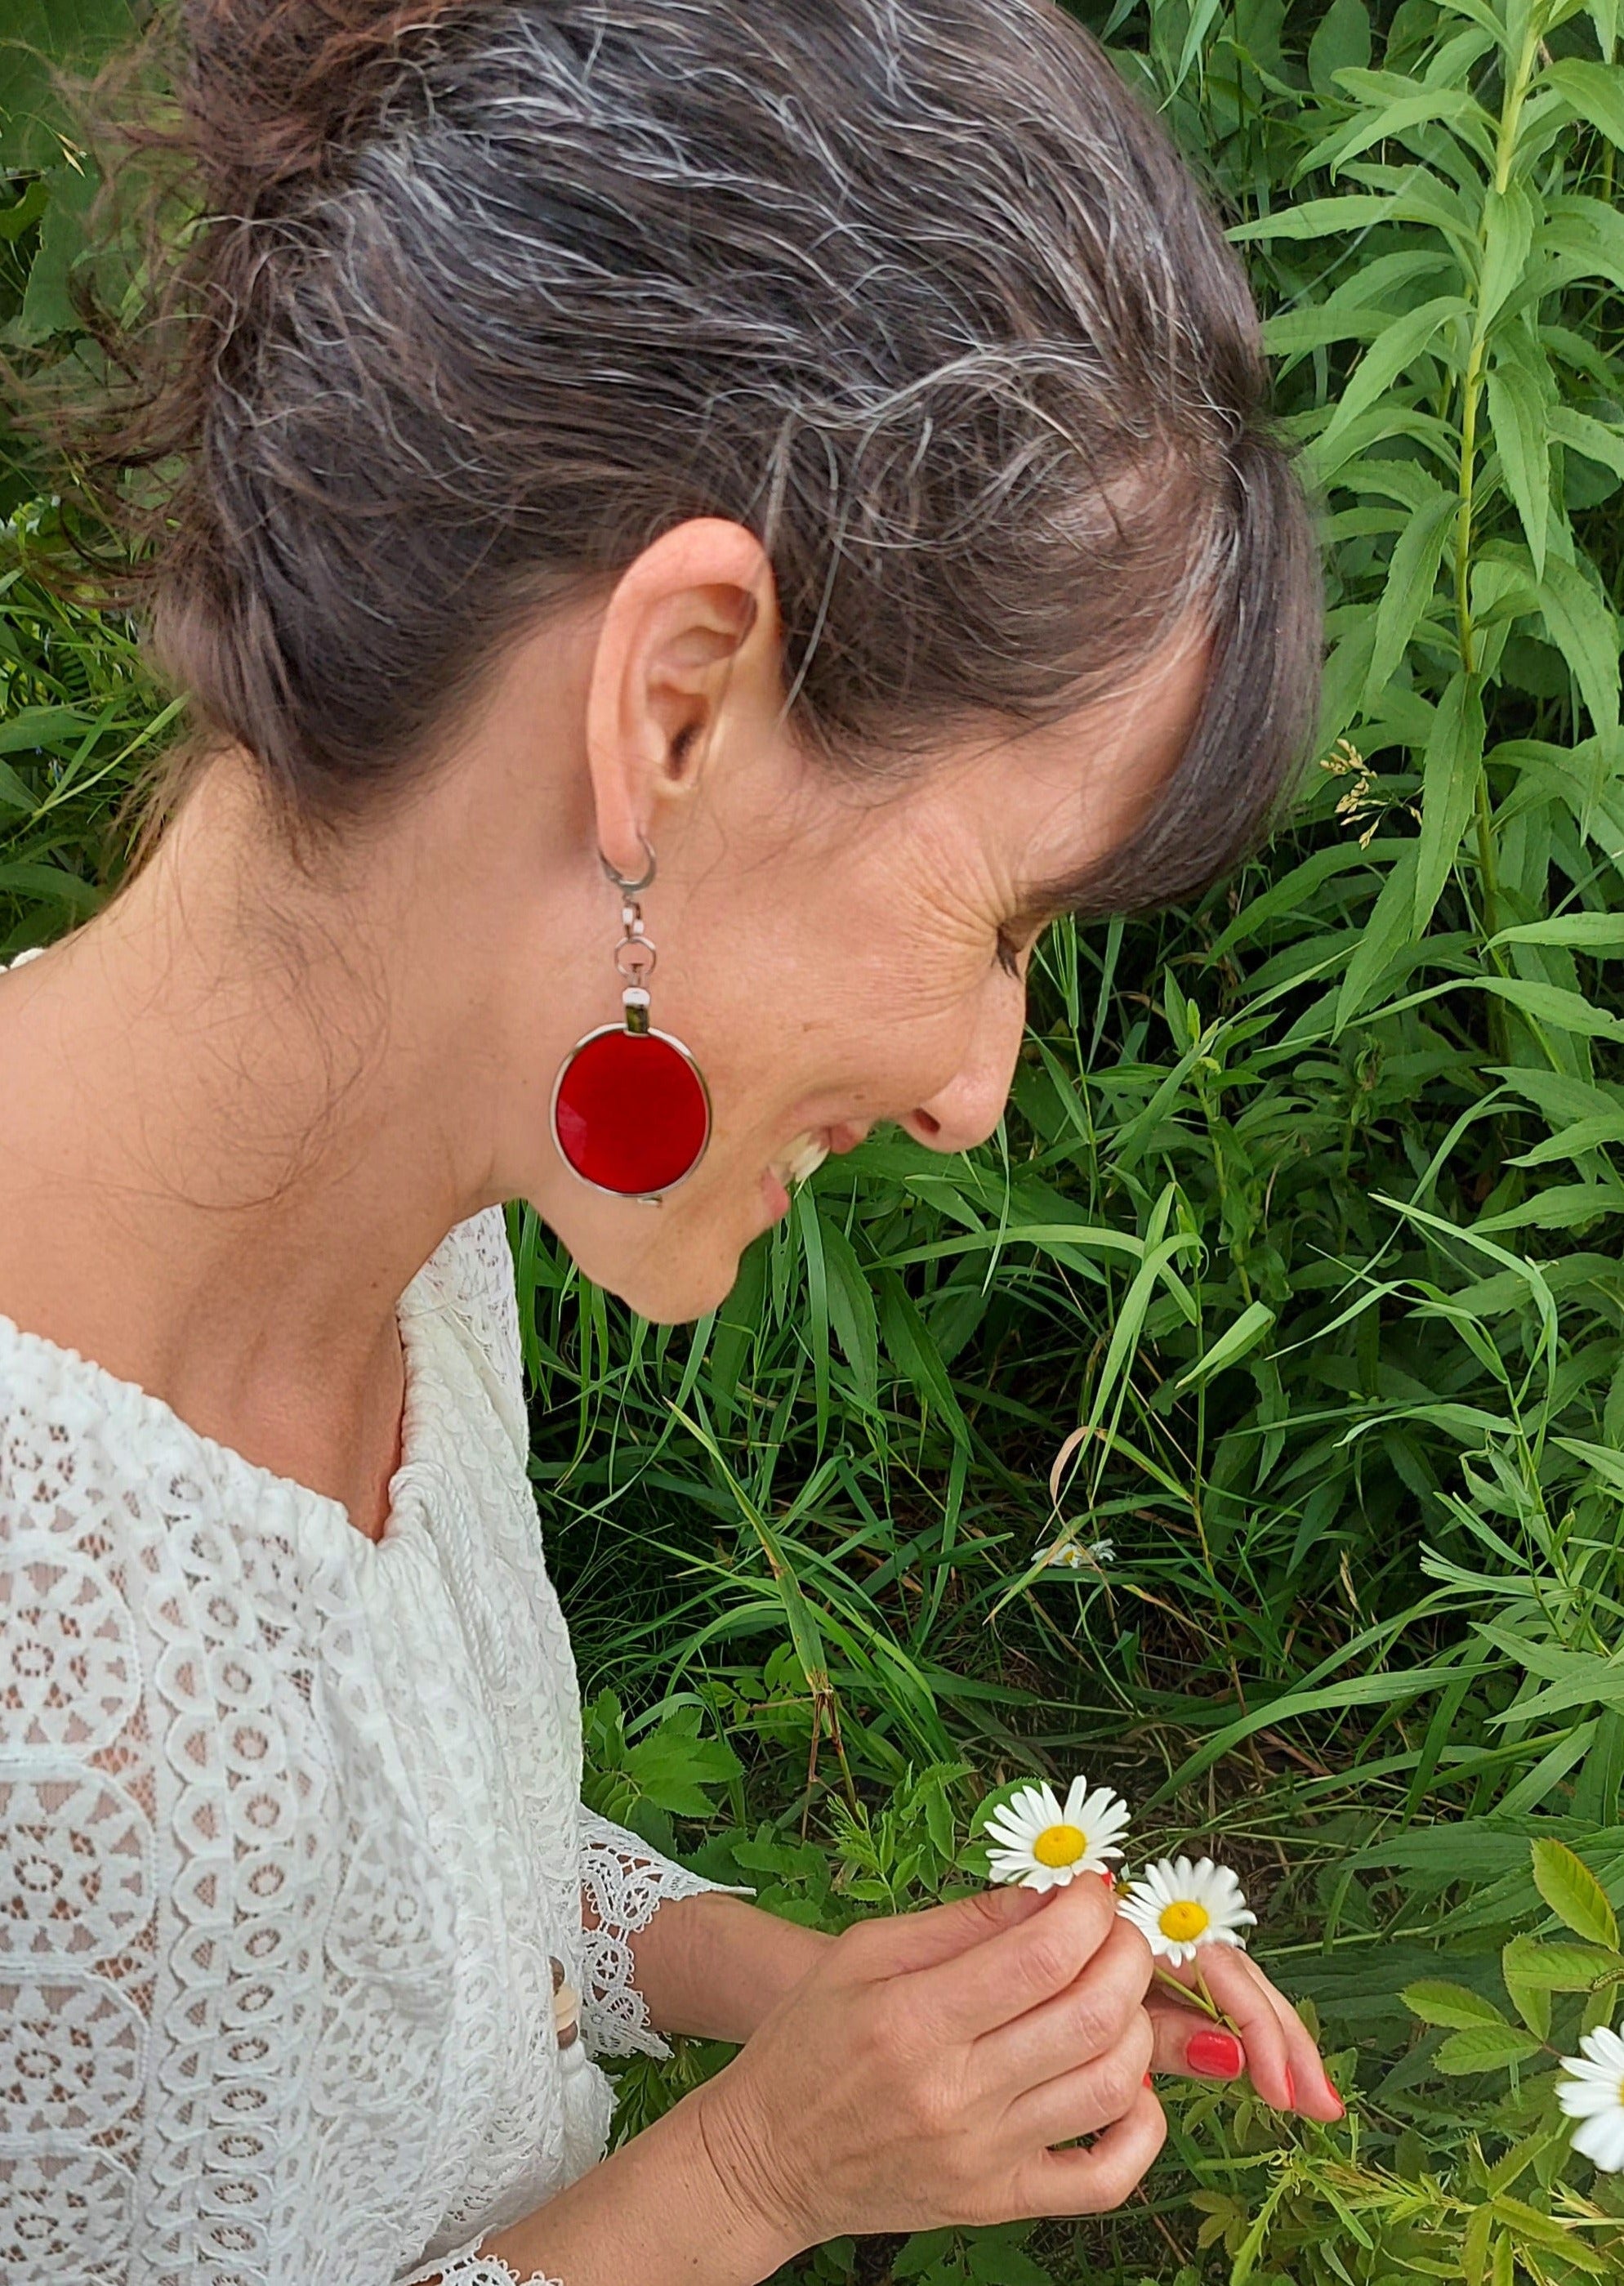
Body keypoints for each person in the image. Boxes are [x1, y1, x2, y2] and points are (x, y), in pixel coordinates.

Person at [0, 1, 1341, 2280]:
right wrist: (748, 2178)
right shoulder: (49, 1686)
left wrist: (791, 1991)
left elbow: (416, 1891)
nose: (973, 1085)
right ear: (677, 703)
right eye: (1001, 919)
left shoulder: (407, 1240)